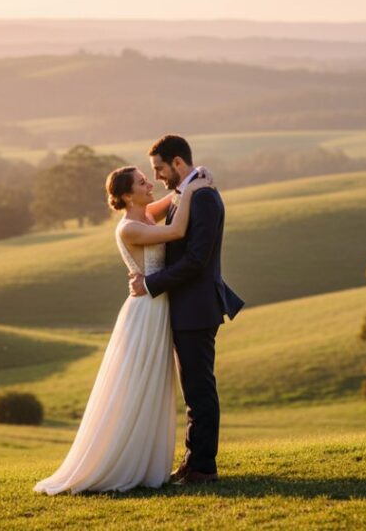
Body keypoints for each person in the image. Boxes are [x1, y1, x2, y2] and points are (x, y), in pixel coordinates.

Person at [33, 163, 212, 494]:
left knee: (153, 385)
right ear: (127, 194)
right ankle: (121, 460)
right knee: (137, 384)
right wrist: (195, 188)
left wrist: (189, 182)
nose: (149, 185)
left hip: (158, 307)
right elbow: (177, 231)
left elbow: (172, 202)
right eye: (142, 183)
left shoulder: (144, 215)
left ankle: (146, 461)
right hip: (145, 311)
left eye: (148, 179)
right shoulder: (129, 227)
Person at [129, 134, 243, 485]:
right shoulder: (188, 192)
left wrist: (150, 284)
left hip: (196, 308)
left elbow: (196, 260)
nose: (158, 175)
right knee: (194, 389)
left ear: (178, 162)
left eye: (160, 168)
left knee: (200, 390)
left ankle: (203, 468)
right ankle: (193, 461)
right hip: (186, 307)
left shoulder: (204, 197)